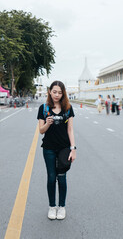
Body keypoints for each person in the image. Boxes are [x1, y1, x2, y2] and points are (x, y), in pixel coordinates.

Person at [37, 81, 76, 220]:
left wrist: (73, 149)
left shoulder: (68, 108)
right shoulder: (44, 108)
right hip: (48, 148)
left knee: (62, 178)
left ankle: (62, 207)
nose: (57, 95)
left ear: (63, 93)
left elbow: (70, 129)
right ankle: (52, 207)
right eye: (54, 92)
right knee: (51, 177)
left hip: (64, 149)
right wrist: (47, 123)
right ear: (49, 91)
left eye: (60, 92)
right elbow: (41, 131)